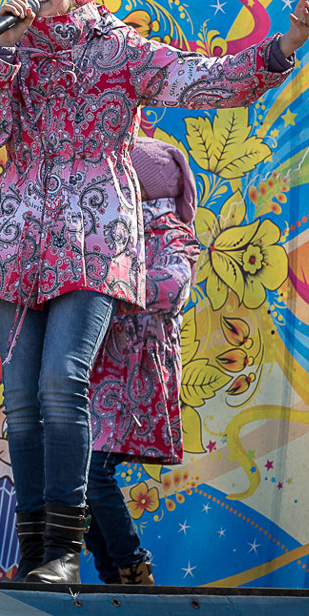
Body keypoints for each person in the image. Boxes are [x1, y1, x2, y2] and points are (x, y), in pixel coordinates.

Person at [0, 0, 309, 583]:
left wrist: (282, 48)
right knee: (19, 400)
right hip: (18, 240)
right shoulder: (11, 55)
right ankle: (34, 551)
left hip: (95, 235)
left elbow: (200, 79)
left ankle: (66, 552)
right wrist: (0, 55)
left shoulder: (118, 48)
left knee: (61, 381)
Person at [85, 139, 200, 586]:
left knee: (92, 470)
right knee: (80, 473)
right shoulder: (111, 227)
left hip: (136, 370)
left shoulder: (170, 233)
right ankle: (114, 575)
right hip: (99, 370)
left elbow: (172, 287)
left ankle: (132, 564)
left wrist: (113, 281)